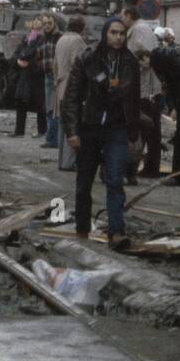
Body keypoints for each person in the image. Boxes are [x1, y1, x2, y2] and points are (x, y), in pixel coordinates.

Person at [61, 16, 141, 252]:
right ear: (105, 34)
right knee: (84, 181)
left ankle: (116, 231)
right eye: (113, 32)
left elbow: (135, 98)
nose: (118, 37)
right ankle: (82, 227)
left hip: (117, 128)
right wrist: (72, 132)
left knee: (115, 180)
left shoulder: (129, 61)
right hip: (89, 127)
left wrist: (134, 130)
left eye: (121, 33)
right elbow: (71, 98)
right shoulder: (88, 59)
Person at [140, 44, 180, 186]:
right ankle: (178, 176)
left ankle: (179, 177)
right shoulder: (165, 60)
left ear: (146, 57)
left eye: (142, 61)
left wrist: (177, 107)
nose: (142, 66)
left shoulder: (163, 60)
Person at [122, 6, 162, 180]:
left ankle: (151, 168)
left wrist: (133, 66)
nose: (120, 19)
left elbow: (147, 58)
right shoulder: (138, 29)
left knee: (149, 130)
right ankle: (143, 167)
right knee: (145, 130)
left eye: (122, 16)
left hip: (147, 90)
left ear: (129, 16)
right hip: (143, 88)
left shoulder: (140, 30)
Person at [53, 15, 87, 172]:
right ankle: (69, 162)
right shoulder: (77, 41)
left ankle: (62, 161)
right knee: (73, 125)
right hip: (71, 86)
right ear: (81, 28)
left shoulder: (61, 40)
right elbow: (78, 64)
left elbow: (55, 65)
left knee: (63, 125)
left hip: (60, 85)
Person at [11, 19, 46, 137]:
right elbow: (17, 53)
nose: (35, 28)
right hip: (24, 76)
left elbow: (35, 54)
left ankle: (42, 130)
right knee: (21, 102)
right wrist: (18, 60)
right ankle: (19, 130)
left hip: (37, 75)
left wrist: (27, 61)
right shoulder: (27, 38)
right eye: (34, 26)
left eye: (38, 26)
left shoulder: (42, 39)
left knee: (40, 104)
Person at [37, 12, 62, 147]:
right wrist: (40, 64)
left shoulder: (59, 37)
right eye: (44, 23)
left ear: (55, 23)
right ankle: (51, 138)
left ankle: (52, 139)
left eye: (49, 23)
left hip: (57, 76)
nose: (47, 26)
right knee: (48, 108)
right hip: (47, 75)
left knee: (54, 109)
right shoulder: (42, 39)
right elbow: (39, 56)